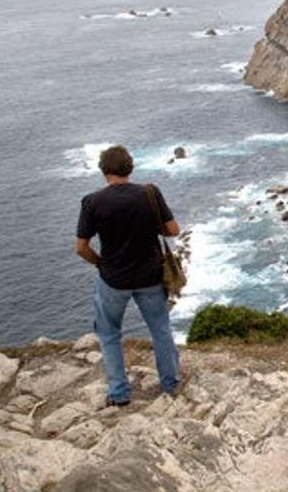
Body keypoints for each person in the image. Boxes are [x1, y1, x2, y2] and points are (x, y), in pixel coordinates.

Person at [74, 145, 182, 406]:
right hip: (149, 278)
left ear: (103, 171)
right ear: (130, 167)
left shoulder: (92, 202)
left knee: (110, 334)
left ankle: (119, 393)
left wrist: (101, 263)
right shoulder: (150, 193)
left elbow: (81, 248)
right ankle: (170, 385)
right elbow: (173, 230)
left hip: (113, 280)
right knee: (161, 330)